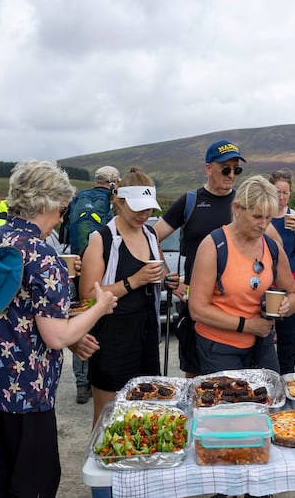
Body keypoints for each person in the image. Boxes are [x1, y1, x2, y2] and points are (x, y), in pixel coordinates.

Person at [0, 159, 117, 498]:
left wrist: (72, 337)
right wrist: (101, 307)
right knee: (35, 483)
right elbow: (55, 335)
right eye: (62, 210)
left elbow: (18, 315)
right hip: (24, 391)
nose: (62, 218)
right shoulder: (43, 257)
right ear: (47, 204)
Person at [79, 167, 179, 426]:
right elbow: (88, 296)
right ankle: (101, 464)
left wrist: (168, 281)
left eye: (149, 209)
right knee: (108, 414)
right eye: (138, 209)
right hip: (112, 333)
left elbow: (157, 272)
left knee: (145, 406)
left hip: (146, 329)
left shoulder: (149, 233)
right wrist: (134, 281)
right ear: (120, 202)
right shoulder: (102, 240)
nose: (145, 215)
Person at [189, 175, 295, 374]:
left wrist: (286, 306)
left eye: (268, 217)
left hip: (262, 345)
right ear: (237, 209)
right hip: (219, 348)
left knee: (270, 402)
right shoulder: (213, 245)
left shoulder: (272, 247)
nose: (264, 225)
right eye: (257, 217)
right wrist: (248, 326)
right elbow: (197, 309)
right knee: (229, 405)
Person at [154, 139, 246, 376]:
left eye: (237, 169)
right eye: (226, 168)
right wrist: (168, 278)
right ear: (208, 168)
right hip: (195, 302)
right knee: (195, 375)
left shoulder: (242, 204)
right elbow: (152, 237)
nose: (232, 175)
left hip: (235, 303)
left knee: (232, 377)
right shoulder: (191, 201)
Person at [60, 164, 120, 404]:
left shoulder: (77, 200)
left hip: (76, 268)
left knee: (80, 323)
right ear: (113, 183)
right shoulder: (113, 202)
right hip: (104, 271)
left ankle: (82, 385)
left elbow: (64, 234)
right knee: (103, 322)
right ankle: (104, 379)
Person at [267, 169, 295, 373]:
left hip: (292, 285)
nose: (282, 197)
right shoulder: (262, 217)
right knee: (262, 341)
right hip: (266, 285)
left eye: (286, 192)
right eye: (277, 192)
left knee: (288, 343)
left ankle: (286, 381)